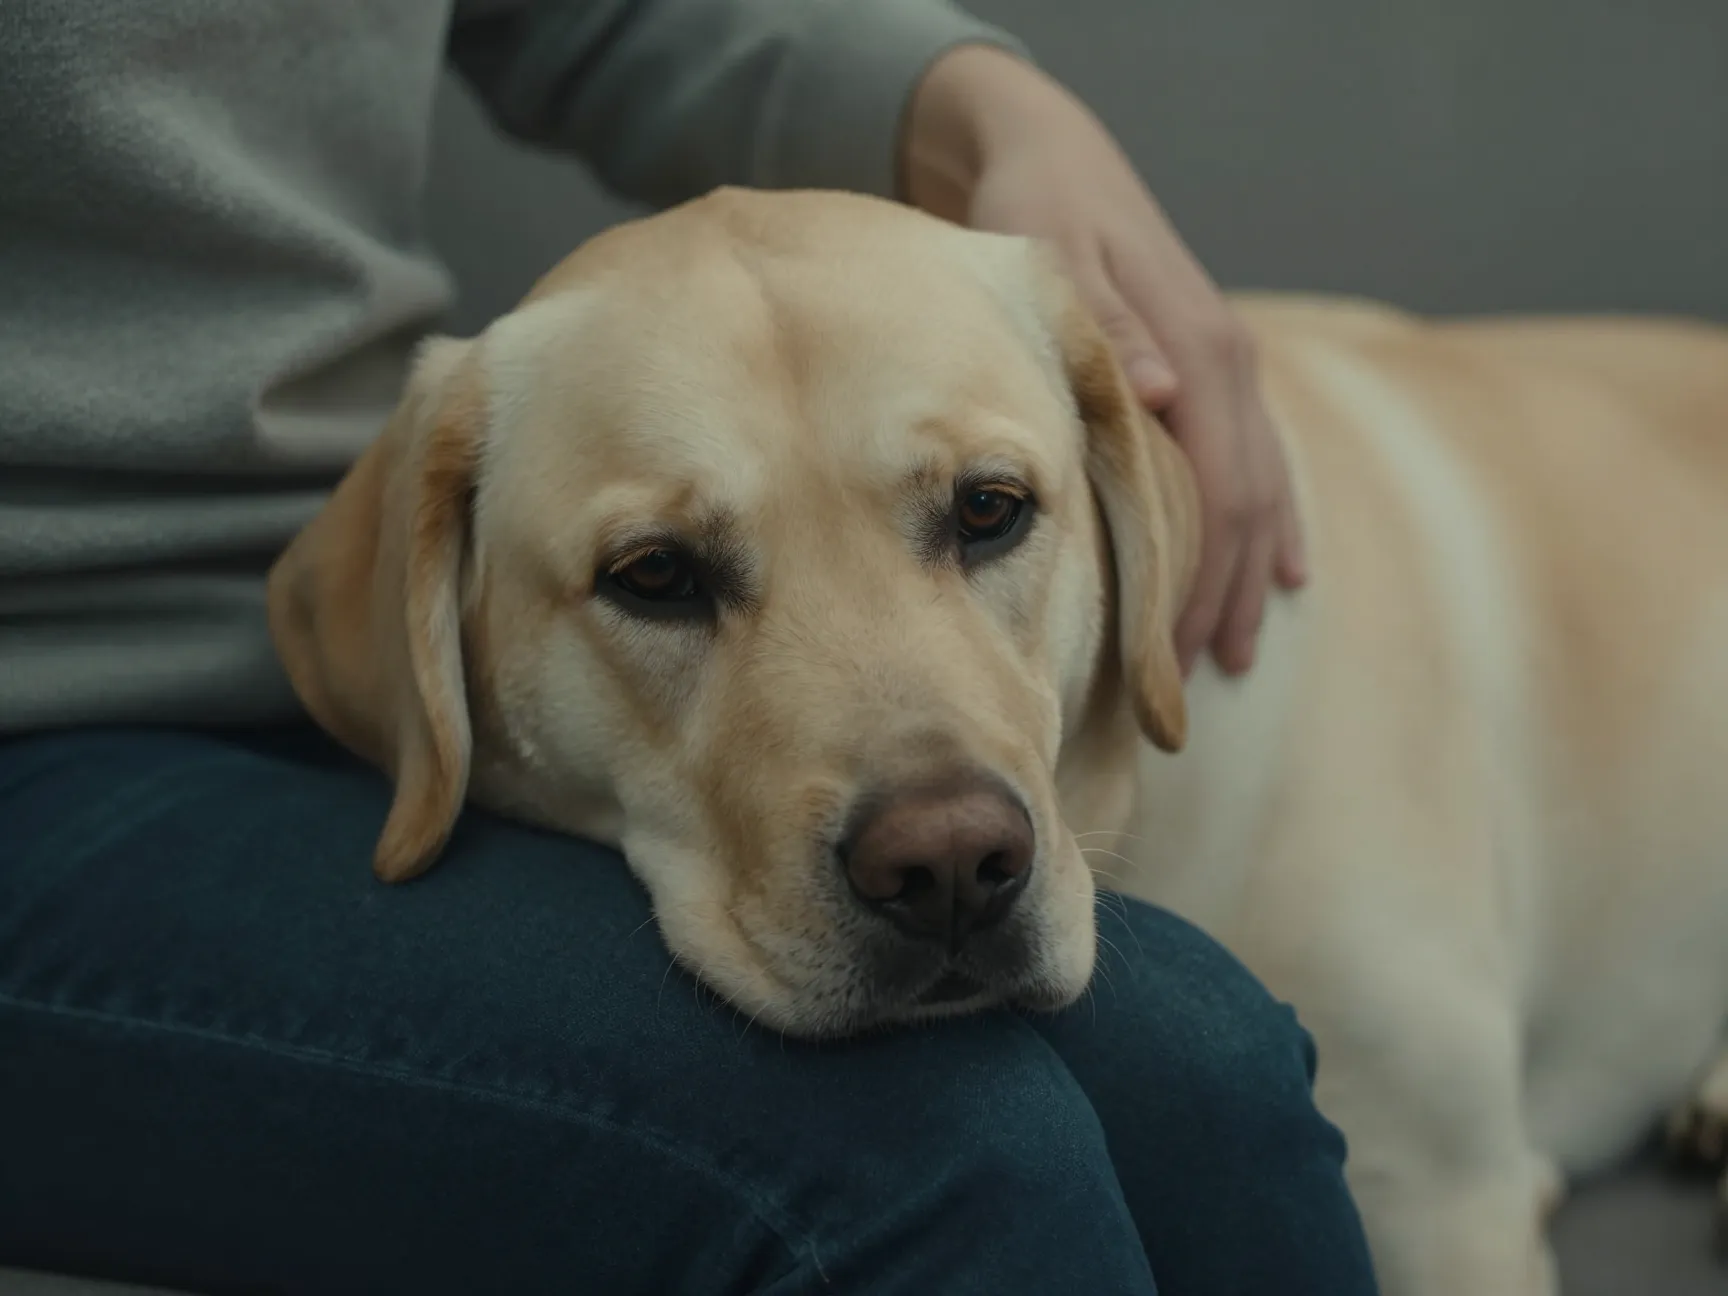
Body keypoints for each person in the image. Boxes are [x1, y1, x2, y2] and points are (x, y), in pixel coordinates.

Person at [0, 2, 1367, 1292]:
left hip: (298, 652)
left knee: (1214, 1082)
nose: (941, 829)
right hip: (38, 707)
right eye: (661, 574)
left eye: (985, 514)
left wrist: (992, 107)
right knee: (933, 1155)